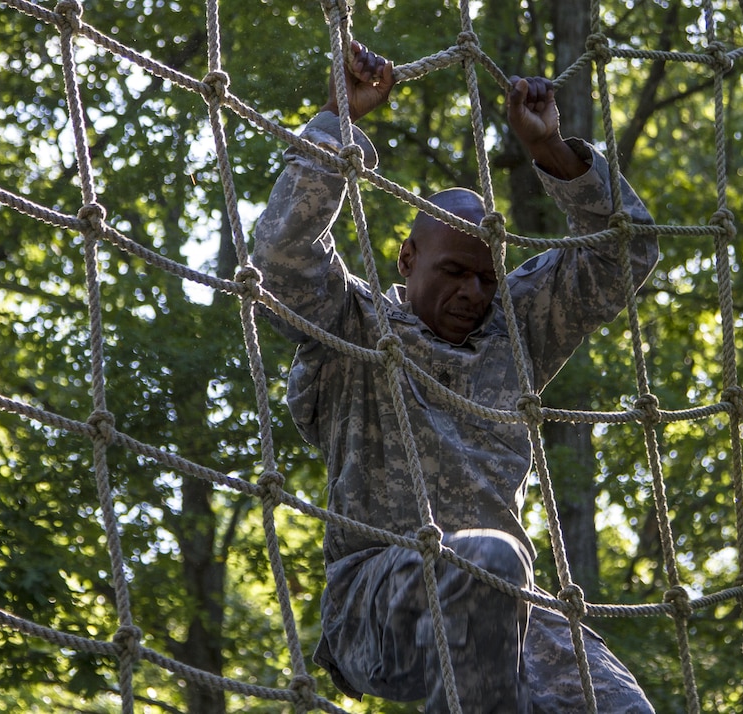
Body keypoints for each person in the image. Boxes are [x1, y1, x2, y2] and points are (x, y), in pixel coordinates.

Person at [252, 41, 657, 713]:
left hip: (507, 611)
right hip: (378, 600)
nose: (473, 291)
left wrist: (553, 152)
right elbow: (282, 255)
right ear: (408, 258)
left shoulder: (514, 331)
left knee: (617, 707)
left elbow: (626, 250)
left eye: (486, 277)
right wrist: (337, 123)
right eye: (453, 272)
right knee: (488, 562)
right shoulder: (354, 329)